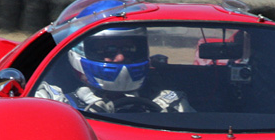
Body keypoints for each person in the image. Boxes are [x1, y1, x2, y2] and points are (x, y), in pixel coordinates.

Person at [35, 23, 193, 113]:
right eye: (109, 51)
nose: (121, 58)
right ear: (80, 52)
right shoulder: (54, 102)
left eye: (129, 50)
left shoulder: (170, 102)